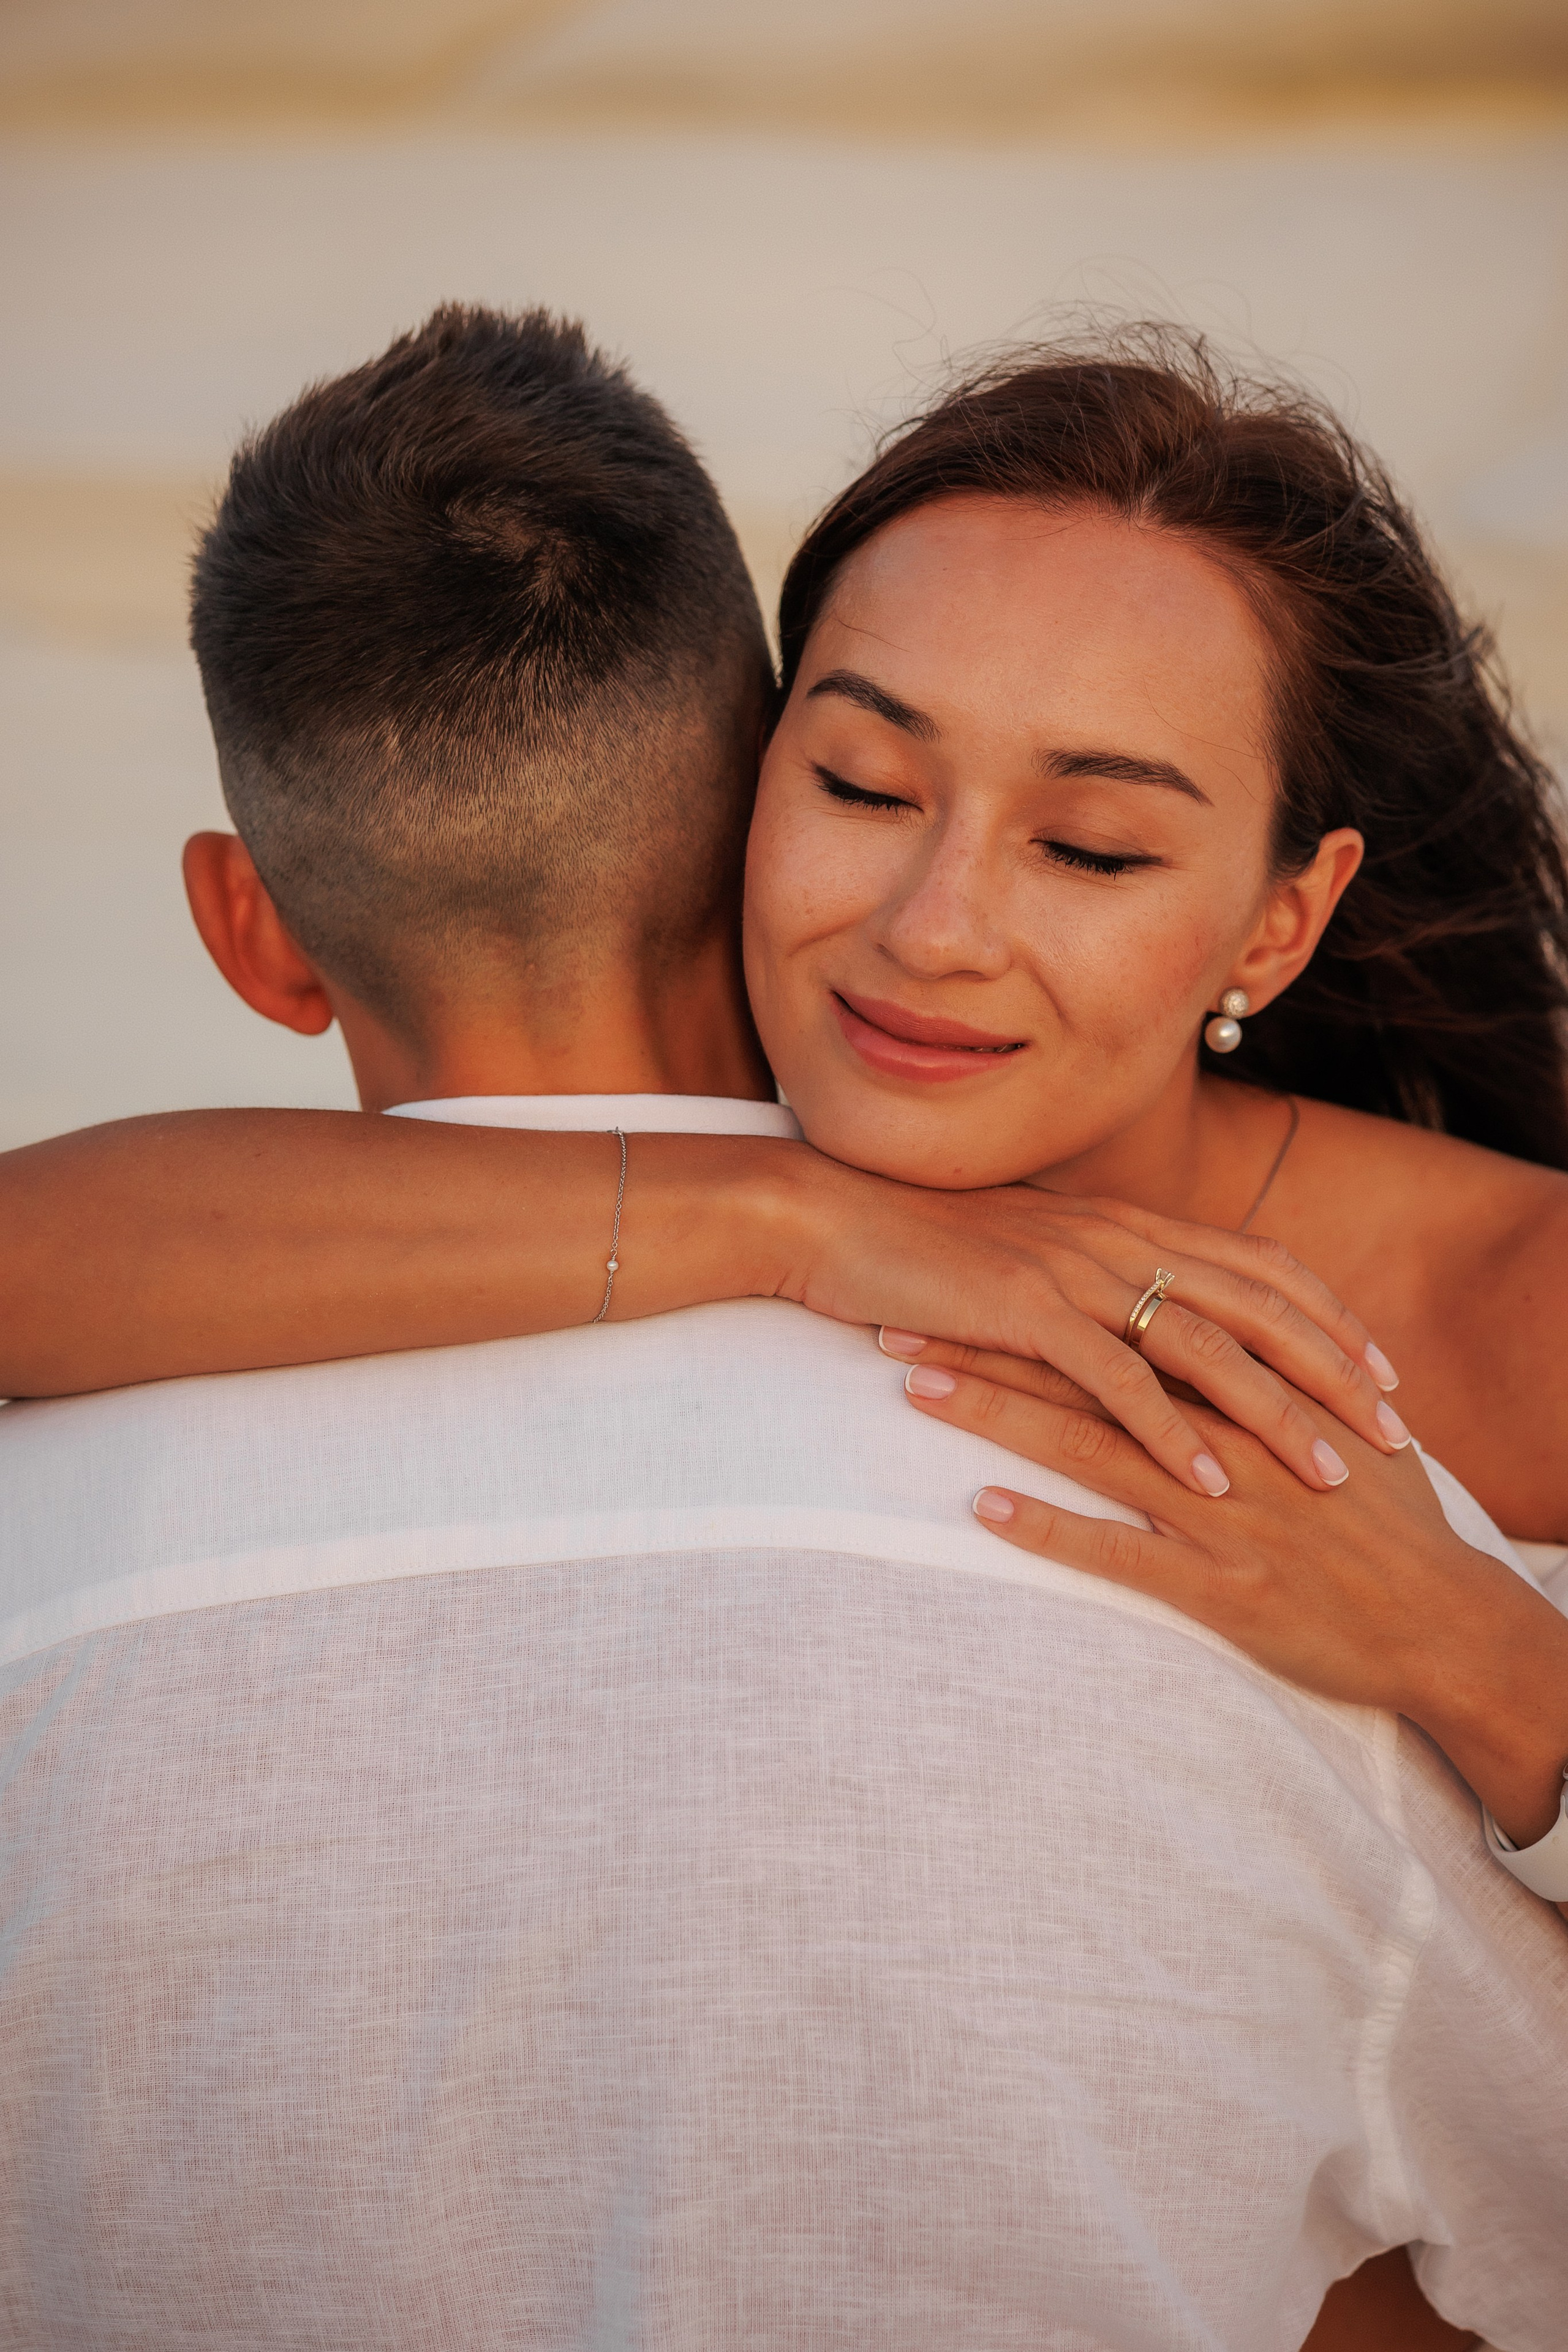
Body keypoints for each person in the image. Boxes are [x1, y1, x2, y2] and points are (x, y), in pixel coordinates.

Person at [1, 308, 1564, 2350]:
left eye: (1091, 845)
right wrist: (793, 1220)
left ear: (1279, 919)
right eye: (861, 779)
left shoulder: (1515, 1314)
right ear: (728, 791)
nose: (933, 925)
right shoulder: (780, 1165)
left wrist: (1478, 1651)